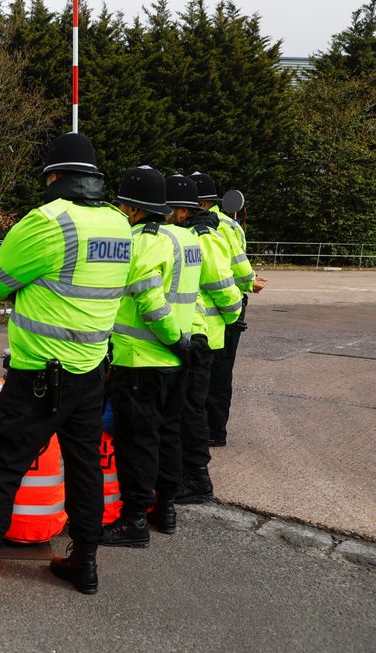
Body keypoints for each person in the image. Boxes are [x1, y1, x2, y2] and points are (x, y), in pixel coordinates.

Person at [0, 132, 131, 604]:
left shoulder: (46, 222)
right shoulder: (120, 225)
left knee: (2, 467)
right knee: (84, 468)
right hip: (91, 370)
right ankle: (85, 562)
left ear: (54, 176)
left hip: (40, 374)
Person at [103, 166, 201, 547]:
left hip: (142, 356)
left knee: (137, 441)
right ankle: (167, 508)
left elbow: (149, 300)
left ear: (131, 207)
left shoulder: (143, 243)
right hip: (178, 358)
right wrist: (183, 343)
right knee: (168, 433)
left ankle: (134, 521)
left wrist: (172, 338)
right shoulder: (188, 239)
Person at [165, 175, 242, 504]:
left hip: (201, 334)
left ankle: (197, 480)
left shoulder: (203, 235)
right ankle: (185, 475)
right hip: (190, 332)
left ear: (184, 211)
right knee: (184, 407)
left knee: (192, 408)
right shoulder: (184, 233)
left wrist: (233, 314)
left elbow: (222, 280)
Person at [190, 172, 263, 447]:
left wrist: (234, 303)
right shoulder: (229, 225)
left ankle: (210, 431)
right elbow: (241, 266)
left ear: (201, 203)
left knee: (207, 374)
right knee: (221, 373)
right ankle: (215, 429)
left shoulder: (210, 226)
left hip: (220, 307)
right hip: (231, 304)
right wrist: (249, 284)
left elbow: (225, 269)